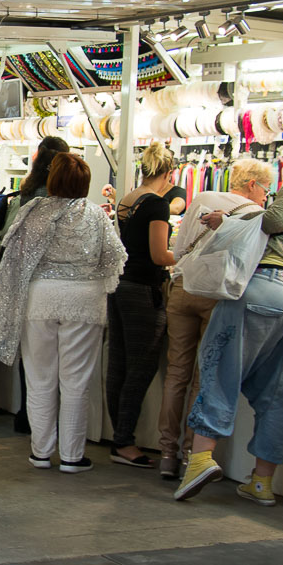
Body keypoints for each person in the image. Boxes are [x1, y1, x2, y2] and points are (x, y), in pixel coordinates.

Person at [175, 153, 283, 506]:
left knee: (221, 370)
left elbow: (274, 222)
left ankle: (199, 461)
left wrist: (231, 220)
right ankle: (261, 482)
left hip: (266, 288)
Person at [0, 153, 127, 472]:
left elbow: (13, 256)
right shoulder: (95, 215)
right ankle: (72, 456)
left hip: (40, 299)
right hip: (84, 301)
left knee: (39, 378)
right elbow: (115, 257)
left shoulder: (33, 211)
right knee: (76, 381)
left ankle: (40, 451)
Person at [156, 158, 274, 479]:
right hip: (218, 296)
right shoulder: (255, 215)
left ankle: (166, 453)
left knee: (176, 373)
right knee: (203, 376)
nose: (267, 196)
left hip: (182, 288)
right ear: (253, 185)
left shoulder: (203, 198)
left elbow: (179, 249)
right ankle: (190, 457)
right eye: (266, 189)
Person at [0, 136, 70, 423]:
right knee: (34, 347)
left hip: (1, 267)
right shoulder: (52, 198)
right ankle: (29, 414)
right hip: (29, 275)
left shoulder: (26, 191)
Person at [108, 141, 177, 468]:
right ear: (168, 173)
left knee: (119, 363)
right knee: (141, 365)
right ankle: (124, 440)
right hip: (143, 288)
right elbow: (159, 255)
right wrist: (190, 252)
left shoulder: (128, 199)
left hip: (120, 284)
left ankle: (119, 437)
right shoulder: (157, 206)